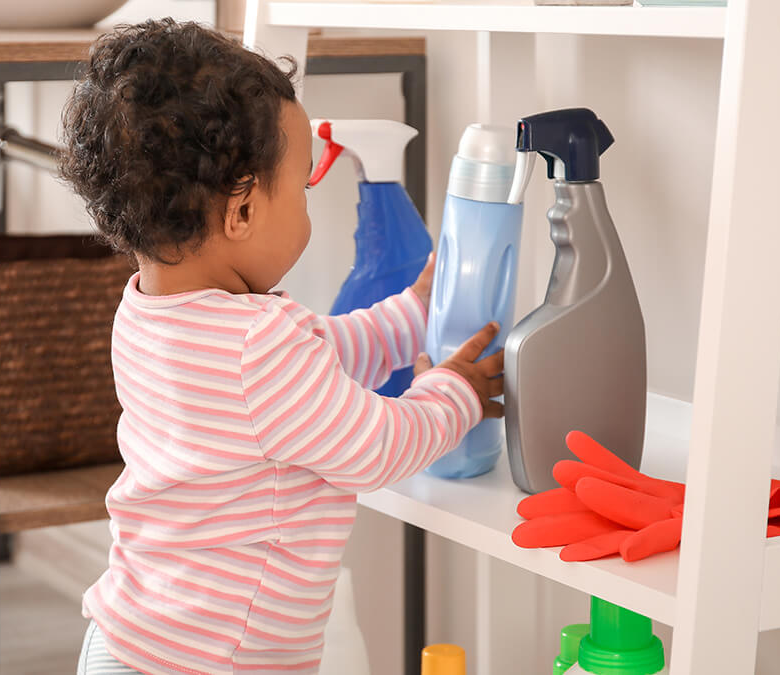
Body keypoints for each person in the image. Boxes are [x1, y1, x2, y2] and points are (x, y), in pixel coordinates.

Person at [59, 19, 503, 675]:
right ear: (240, 211)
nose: (306, 206)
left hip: (131, 637)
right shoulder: (256, 343)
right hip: (215, 660)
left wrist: (411, 314)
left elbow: (319, 356)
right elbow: (375, 447)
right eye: (299, 187)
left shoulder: (148, 310)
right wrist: (455, 392)